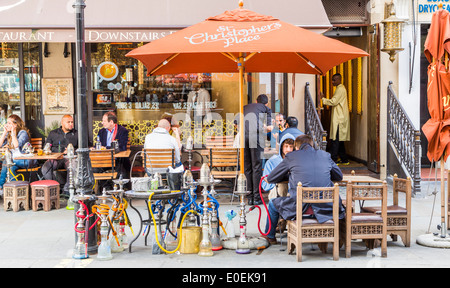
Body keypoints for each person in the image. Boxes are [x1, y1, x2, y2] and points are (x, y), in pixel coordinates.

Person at [263, 134, 345, 244]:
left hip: (301, 208)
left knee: (273, 204)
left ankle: (270, 236)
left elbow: (272, 178)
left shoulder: (292, 157)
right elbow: (339, 176)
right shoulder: (325, 155)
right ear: (312, 145)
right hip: (326, 207)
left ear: (296, 147)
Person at [243, 94, 273, 205]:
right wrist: (263, 128)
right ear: (267, 103)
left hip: (244, 136)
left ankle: (249, 197)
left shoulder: (245, 107)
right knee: (256, 166)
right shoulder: (266, 108)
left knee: (247, 167)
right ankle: (256, 198)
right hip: (255, 136)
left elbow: (236, 124)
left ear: (256, 101)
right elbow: (270, 127)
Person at [41, 115, 78, 195]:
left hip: (69, 158)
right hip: (56, 158)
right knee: (45, 168)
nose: (71, 124)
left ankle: (67, 190)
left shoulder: (77, 134)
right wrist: (61, 151)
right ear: (62, 123)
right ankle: (54, 187)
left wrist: (72, 150)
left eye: (72, 122)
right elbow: (46, 147)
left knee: (73, 165)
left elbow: (83, 147)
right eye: (68, 122)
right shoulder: (53, 133)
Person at [0, 115, 36, 191]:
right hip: (15, 161)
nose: (7, 125)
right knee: (10, 166)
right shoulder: (9, 134)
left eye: (9, 123)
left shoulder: (23, 133)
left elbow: (16, 145)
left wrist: (13, 132)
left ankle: (1, 187)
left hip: (25, 160)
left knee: (7, 162)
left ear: (16, 124)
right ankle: (15, 190)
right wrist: (4, 132)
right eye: (7, 123)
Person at [321, 73, 350, 165]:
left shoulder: (340, 89)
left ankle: (333, 160)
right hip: (340, 117)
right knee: (339, 140)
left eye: (334, 80)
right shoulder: (340, 88)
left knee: (335, 140)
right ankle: (344, 159)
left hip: (339, 119)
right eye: (332, 80)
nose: (332, 82)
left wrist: (322, 99)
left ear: (339, 80)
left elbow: (333, 102)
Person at [96, 111, 130, 178]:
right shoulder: (101, 131)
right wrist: (94, 148)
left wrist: (106, 148)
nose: (102, 123)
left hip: (118, 159)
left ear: (111, 122)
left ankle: (120, 187)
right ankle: (105, 187)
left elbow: (122, 147)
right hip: (104, 159)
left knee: (121, 167)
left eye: (104, 121)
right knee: (94, 168)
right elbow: (98, 144)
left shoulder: (122, 131)